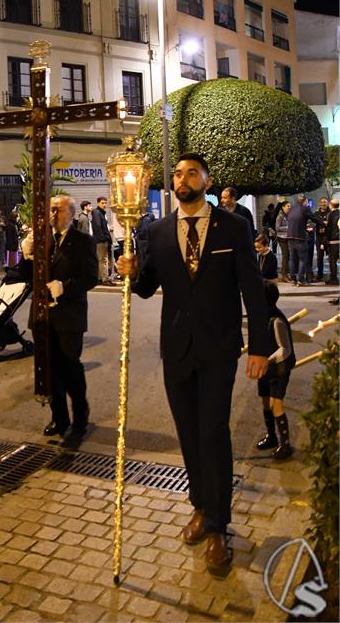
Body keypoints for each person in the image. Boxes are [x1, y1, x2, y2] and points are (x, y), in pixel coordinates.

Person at [117, 153, 270, 573]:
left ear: (207, 179)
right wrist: (129, 272)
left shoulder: (233, 227)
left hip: (219, 348)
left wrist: (259, 346)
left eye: (192, 173)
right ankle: (200, 506)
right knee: (188, 433)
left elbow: (252, 291)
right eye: (179, 174)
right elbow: (148, 286)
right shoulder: (159, 230)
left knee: (213, 433)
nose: (183, 179)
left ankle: (219, 526)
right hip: (177, 349)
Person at [6, 195, 98, 450]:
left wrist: (64, 287)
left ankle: (80, 418)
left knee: (71, 368)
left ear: (70, 212)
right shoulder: (42, 240)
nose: (52, 214)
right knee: (50, 369)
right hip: (43, 317)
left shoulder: (82, 242)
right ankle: (60, 417)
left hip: (69, 316)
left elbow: (91, 277)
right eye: (50, 210)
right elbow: (22, 276)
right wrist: (26, 256)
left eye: (57, 210)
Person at [255, 282, 296, 460]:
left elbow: (285, 349)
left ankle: (285, 445)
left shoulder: (277, 321)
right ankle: (271, 436)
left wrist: (267, 359)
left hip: (279, 368)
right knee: (265, 402)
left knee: (275, 404)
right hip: (266, 368)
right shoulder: (263, 316)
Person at [286, 194, 321, 286]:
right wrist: (324, 224)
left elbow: (296, 221)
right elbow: (314, 218)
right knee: (302, 259)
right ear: (304, 201)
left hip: (290, 237)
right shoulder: (304, 208)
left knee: (292, 259)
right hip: (300, 238)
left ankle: (293, 280)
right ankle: (300, 280)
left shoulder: (291, 209)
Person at [91, 196, 113, 285]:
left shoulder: (101, 213)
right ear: (98, 203)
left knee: (102, 259)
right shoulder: (97, 213)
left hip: (102, 240)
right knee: (103, 260)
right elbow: (97, 226)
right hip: (101, 241)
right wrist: (103, 239)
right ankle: (105, 279)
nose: (104, 205)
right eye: (102, 203)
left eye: (105, 203)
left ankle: (100, 279)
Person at [314, 197, 330, 281]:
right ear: (319, 203)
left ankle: (332, 275)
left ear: (327, 203)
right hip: (319, 238)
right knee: (319, 258)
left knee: (331, 258)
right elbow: (313, 223)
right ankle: (319, 275)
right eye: (322, 202)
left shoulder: (330, 213)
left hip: (328, 238)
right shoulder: (316, 213)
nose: (323, 204)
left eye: (325, 202)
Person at [324, 198, 339, 285]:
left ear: (330, 205)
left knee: (332, 261)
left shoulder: (330, 215)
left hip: (333, 241)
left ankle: (334, 279)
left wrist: (325, 241)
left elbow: (328, 229)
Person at [275, 201, 291, 281]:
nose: (289, 207)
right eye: (288, 206)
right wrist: (288, 227)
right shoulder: (280, 216)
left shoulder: (288, 216)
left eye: (289, 206)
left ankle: (287, 274)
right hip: (282, 239)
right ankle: (284, 275)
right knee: (285, 256)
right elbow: (277, 228)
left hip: (288, 238)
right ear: (283, 207)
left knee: (288, 256)